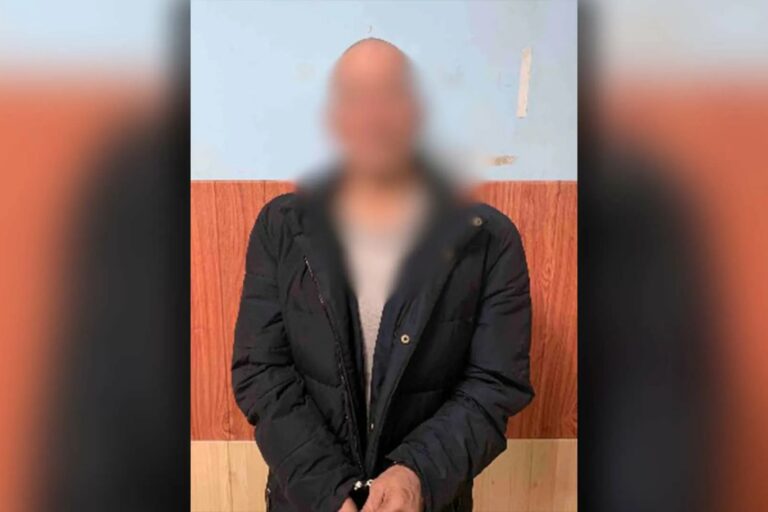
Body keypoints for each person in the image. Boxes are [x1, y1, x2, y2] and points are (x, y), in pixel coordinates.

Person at [232, 38, 533, 512]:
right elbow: (260, 371)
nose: (372, 116)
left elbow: (495, 384)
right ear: (333, 117)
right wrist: (328, 490)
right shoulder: (282, 228)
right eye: (354, 96)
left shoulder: (487, 240)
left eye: (391, 94)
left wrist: (417, 474)